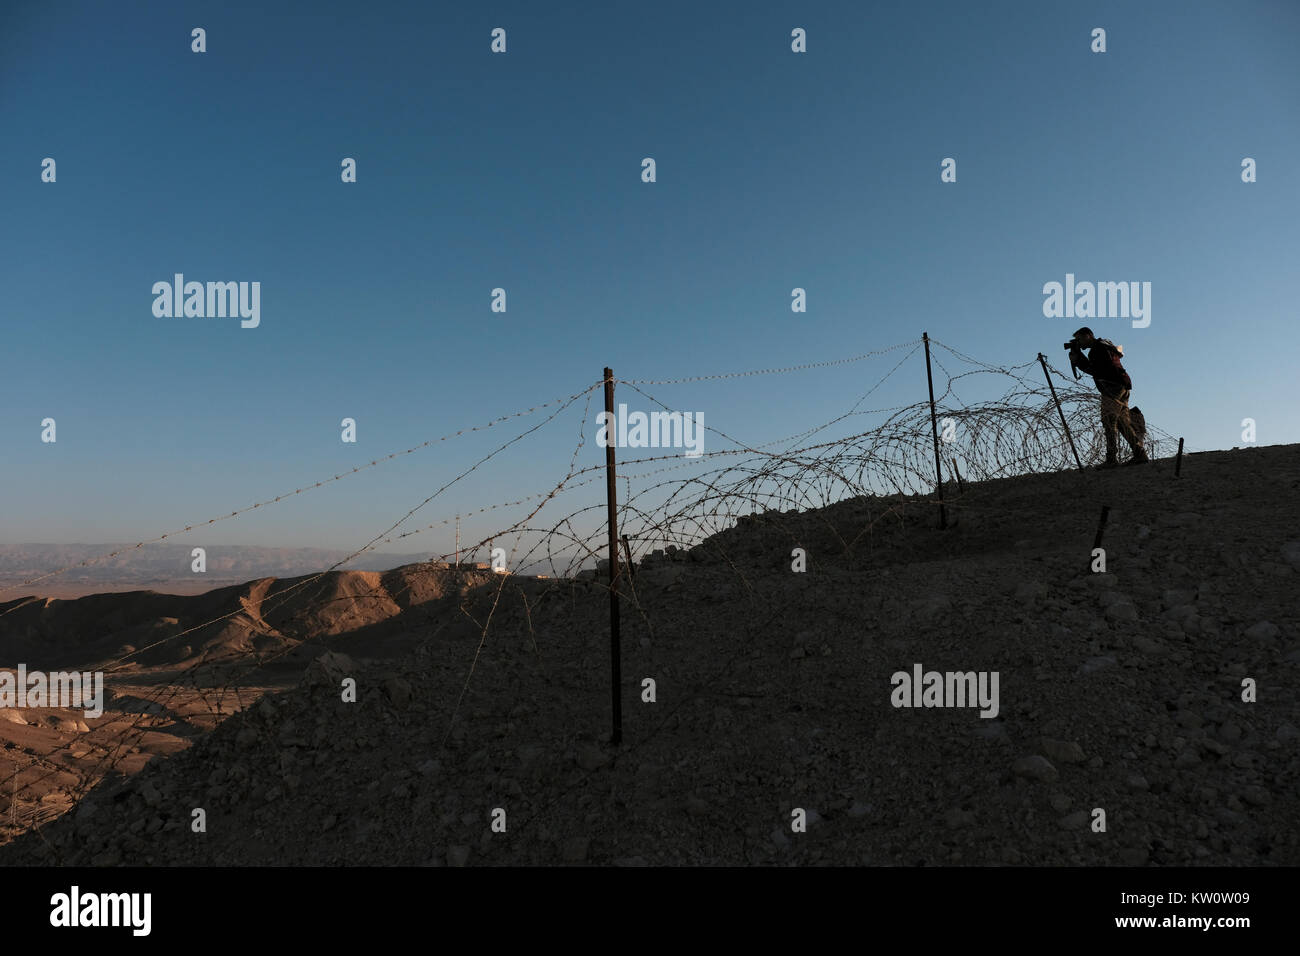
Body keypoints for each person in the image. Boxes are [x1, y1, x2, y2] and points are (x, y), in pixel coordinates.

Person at [1067, 327, 1149, 468]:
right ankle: (1139, 454)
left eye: (1080, 339)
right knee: (1122, 423)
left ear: (1088, 336)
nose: (1079, 343)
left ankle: (1111, 459)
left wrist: (1078, 360)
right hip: (1122, 385)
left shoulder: (1097, 350)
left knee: (1109, 421)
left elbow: (1096, 370)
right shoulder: (1104, 346)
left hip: (1113, 387)